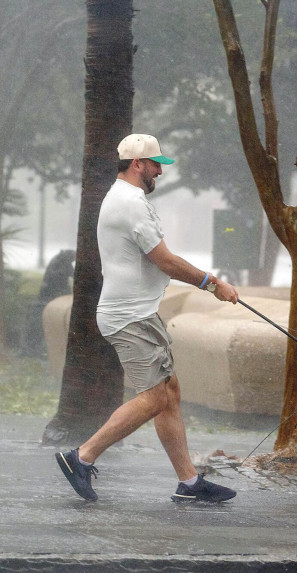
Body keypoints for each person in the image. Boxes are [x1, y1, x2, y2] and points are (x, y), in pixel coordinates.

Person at [56, 134, 240, 503]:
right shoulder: (130, 203)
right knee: (155, 397)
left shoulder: (126, 198)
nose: (160, 170)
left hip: (139, 313)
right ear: (137, 164)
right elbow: (165, 260)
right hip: (129, 317)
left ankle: (188, 483)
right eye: (156, 163)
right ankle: (81, 456)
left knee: (169, 394)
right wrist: (212, 283)